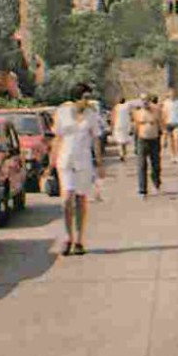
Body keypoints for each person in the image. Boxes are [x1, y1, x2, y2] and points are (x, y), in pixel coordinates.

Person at [51, 83, 104, 255]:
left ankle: (79, 240)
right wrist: (50, 164)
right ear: (77, 98)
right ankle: (68, 237)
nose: (88, 101)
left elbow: (96, 139)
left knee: (81, 199)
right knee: (67, 199)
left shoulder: (92, 114)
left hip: (84, 161)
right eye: (85, 98)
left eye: (89, 98)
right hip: (65, 161)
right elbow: (57, 138)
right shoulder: (62, 112)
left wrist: (99, 163)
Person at [131, 94, 164, 196]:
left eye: (146, 100)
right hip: (142, 140)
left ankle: (156, 181)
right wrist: (136, 145)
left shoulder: (156, 112)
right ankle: (142, 189)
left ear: (150, 101)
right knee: (141, 165)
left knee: (156, 164)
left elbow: (160, 126)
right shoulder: (137, 113)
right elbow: (135, 129)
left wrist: (162, 139)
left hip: (154, 140)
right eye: (142, 100)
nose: (144, 102)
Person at [163, 89, 178, 162]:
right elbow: (164, 114)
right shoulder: (165, 103)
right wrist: (164, 125)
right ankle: (172, 155)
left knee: (176, 139)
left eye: (173, 93)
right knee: (170, 140)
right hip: (168, 123)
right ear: (168, 94)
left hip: (176, 122)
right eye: (170, 93)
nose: (172, 95)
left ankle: (177, 155)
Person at [111, 96, 133, 161]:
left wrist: (112, 125)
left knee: (119, 141)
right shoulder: (127, 107)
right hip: (126, 125)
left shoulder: (116, 107)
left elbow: (113, 117)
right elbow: (130, 116)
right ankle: (124, 153)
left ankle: (121, 154)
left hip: (118, 125)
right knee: (124, 140)